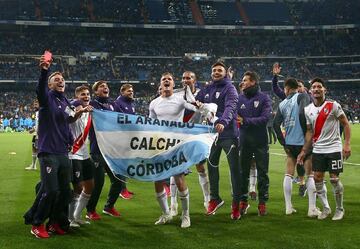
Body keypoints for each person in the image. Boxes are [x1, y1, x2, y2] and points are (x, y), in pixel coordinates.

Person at [23, 55, 88, 238]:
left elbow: (68, 120)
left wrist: (78, 114)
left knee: (65, 192)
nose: (60, 82)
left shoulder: (65, 101)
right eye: (56, 80)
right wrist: (45, 71)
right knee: (51, 190)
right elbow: (40, 89)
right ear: (50, 85)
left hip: (63, 153)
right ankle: (37, 223)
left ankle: (55, 223)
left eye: (62, 80)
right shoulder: (47, 98)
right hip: (48, 152)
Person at [297, 78, 351, 221]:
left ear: (324, 90)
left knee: (334, 179)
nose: (316, 89)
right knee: (317, 179)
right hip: (318, 150)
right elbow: (309, 132)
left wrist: (347, 144)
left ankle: (339, 209)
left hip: (333, 148)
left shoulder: (333, 105)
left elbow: (345, 124)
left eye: (319, 87)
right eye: (314, 87)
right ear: (310, 91)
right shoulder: (307, 110)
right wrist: (303, 151)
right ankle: (326, 208)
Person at [149, 72, 198, 228]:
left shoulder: (180, 100)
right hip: (160, 146)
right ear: (161, 84)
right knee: (157, 180)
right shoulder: (154, 103)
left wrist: (199, 105)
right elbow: (150, 124)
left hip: (177, 145)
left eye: (169, 79)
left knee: (179, 179)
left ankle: (185, 215)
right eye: (164, 79)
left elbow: (194, 108)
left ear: (173, 83)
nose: (167, 81)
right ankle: (165, 214)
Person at [196, 61, 241, 220]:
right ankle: (215, 198)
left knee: (235, 170)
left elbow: (231, 107)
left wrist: (222, 121)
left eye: (219, 70)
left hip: (228, 134)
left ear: (224, 73)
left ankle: (236, 204)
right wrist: (197, 103)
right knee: (212, 166)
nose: (216, 72)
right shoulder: (207, 88)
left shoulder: (230, 88)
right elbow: (196, 101)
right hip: (211, 135)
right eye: (214, 70)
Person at [273, 78, 320, 217]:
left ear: (286, 89)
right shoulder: (303, 96)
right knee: (310, 174)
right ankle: (311, 209)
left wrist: (283, 142)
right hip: (303, 141)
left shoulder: (282, 104)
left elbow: (276, 125)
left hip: (290, 143)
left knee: (288, 173)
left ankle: (288, 207)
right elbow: (302, 113)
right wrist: (306, 131)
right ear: (296, 88)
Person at [169, 71, 211, 216]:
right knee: (175, 170)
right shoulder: (176, 95)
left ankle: (207, 200)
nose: (186, 80)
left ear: (195, 80)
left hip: (196, 136)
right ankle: (173, 204)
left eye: (189, 78)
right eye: (184, 78)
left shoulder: (202, 94)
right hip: (178, 137)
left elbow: (208, 110)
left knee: (201, 167)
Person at [86, 80, 122, 220]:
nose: (105, 87)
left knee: (118, 180)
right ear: (96, 92)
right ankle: (90, 210)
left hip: (112, 150)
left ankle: (109, 206)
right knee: (98, 182)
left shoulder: (114, 105)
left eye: (106, 86)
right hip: (98, 149)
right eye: (101, 86)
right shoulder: (93, 105)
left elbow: (124, 120)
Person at [237, 71, 272, 217]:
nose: (242, 82)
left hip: (260, 142)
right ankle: (243, 201)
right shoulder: (239, 99)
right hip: (244, 142)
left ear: (253, 82)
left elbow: (265, 118)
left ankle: (262, 202)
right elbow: (235, 117)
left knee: (263, 173)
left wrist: (245, 121)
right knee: (242, 173)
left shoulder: (264, 98)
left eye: (245, 80)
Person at [272, 62, 306, 196]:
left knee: (300, 163)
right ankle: (304, 184)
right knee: (302, 162)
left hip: (294, 139)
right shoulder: (288, 99)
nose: (300, 88)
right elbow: (275, 89)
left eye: (301, 86)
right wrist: (275, 76)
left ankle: (302, 183)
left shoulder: (306, 98)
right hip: (298, 137)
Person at [68, 85, 94, 227]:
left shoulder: (90, 110)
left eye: (88, 94)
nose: (86, 96)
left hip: (85, 154)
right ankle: (70, 218)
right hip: (73, 153)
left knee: (90, 185)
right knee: (78, 186)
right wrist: (81, 111)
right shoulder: (71, 106)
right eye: (83, 94)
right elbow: (69, 119)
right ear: (77, 96)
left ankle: (77, 216)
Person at [113, 83, 136, 200]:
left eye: (132, 91)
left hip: (129, 138)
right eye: (129, 91)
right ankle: (121, 190)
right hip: (121, 139)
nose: (131, 93)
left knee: (125, 165)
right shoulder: (118, 103)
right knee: (121, 165)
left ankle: (124, 188)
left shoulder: (131, 103)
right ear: (122, 92)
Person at [25, 99, 40, 170]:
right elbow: (38, 124)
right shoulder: (37, 112)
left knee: (40, 150)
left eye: (36, 104)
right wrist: (33, 129)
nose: (34, 105)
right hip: (36, 133)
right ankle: (33, 165)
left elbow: (42, 124)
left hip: (40, 134)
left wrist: (38, 134)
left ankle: (44, 167)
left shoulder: (41, 112)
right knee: (34, 149)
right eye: (34, 104)